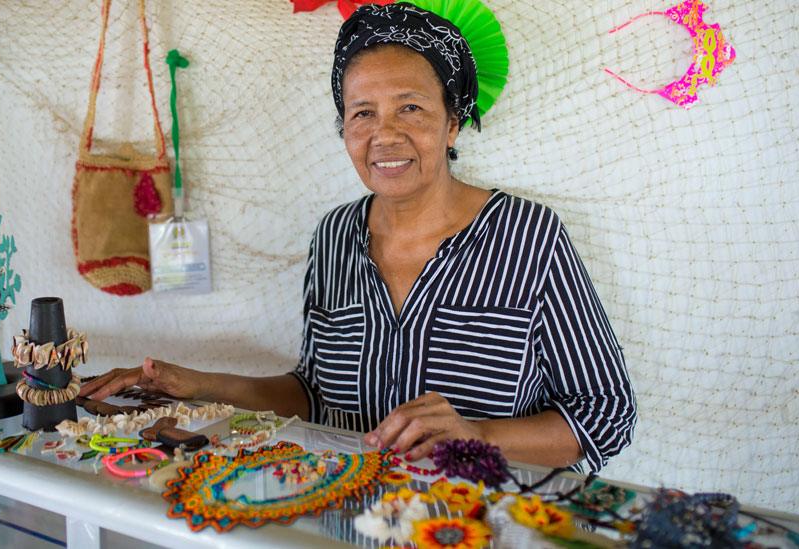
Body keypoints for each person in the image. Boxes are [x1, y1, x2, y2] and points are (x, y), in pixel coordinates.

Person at [81, 3, 636, 472]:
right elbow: (312, 392)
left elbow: (606, 414)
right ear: (344, 128)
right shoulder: (335, 236)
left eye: (411, 108)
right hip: (344, 509)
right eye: (362, 112)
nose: (384, 135)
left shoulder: (529, 237)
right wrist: (197, 383)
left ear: (452, 123)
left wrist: (478, 435)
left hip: (473, 523)